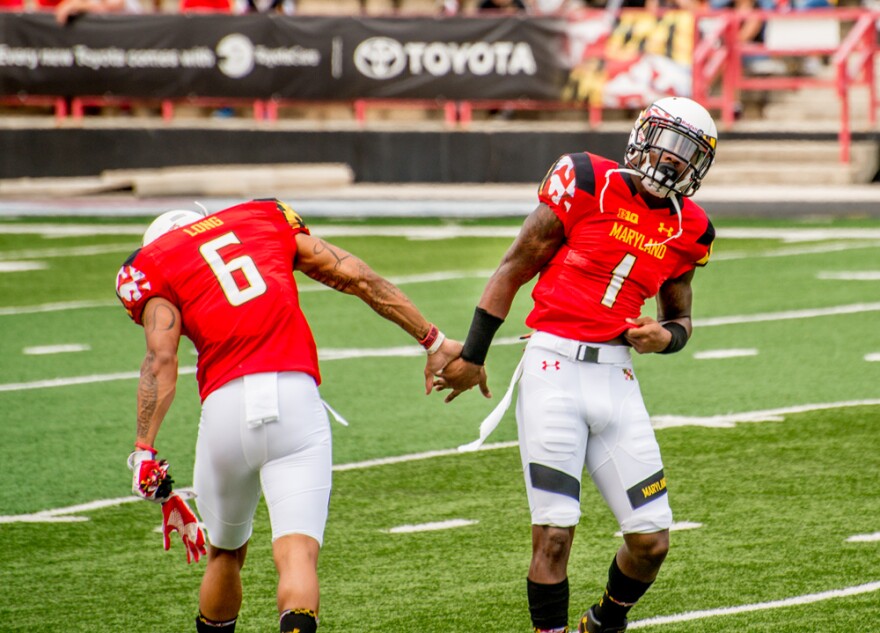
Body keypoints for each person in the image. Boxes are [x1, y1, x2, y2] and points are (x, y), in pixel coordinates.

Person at [436, 96, 717, 633]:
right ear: (640, 134)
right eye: (666, 140)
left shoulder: (692, 228)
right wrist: (473, 355)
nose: (672, 158)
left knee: (652, 539)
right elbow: (514, 266)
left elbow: (680, 319)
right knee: (555, 534)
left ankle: (604, 623)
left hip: (617, 377)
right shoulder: (588, 177)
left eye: (687, 152)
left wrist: (666, 338)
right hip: (553, 371)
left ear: (699, 168)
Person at [115, 198, 461, 633]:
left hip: (225, 408)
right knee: (297, 553)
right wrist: (433, 340)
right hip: (295, 398)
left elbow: (160, 357)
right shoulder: (261, 217)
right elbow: (356, 276)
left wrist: (144, 450)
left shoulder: (154, 263)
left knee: (224, 554)